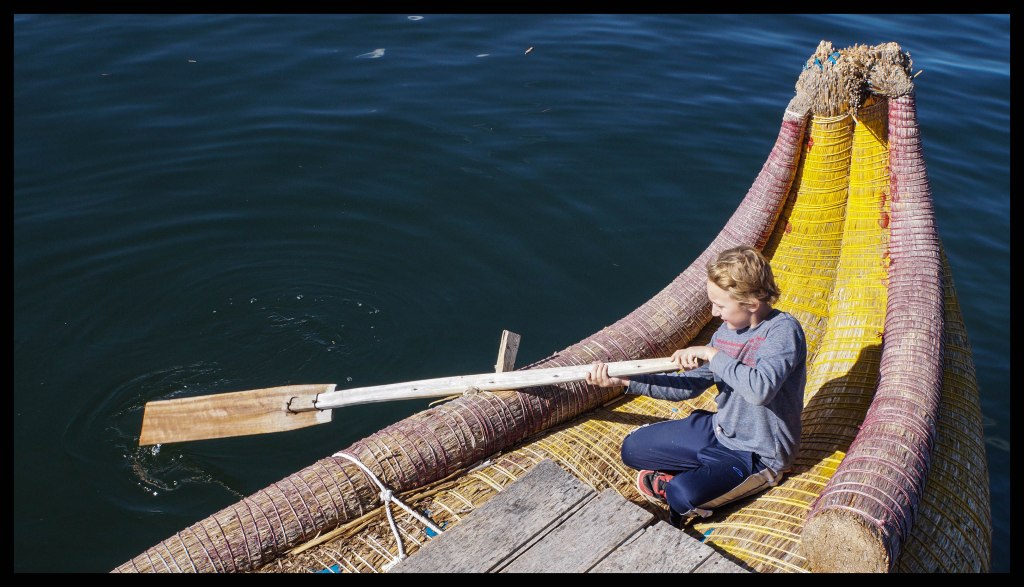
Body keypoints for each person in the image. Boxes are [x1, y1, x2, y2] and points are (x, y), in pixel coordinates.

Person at [585, 245, 806, 526]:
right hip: (718, 430)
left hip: (757, 453)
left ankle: (685, 488)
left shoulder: (783, 331)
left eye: (720, 305)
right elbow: (687, 386)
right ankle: (698, 474)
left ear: (752, 302)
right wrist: (625, 382)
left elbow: (760, 390)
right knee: (632, 449)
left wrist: (712, 355)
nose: (714, 312)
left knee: (681, 496)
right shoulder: (727, 331)